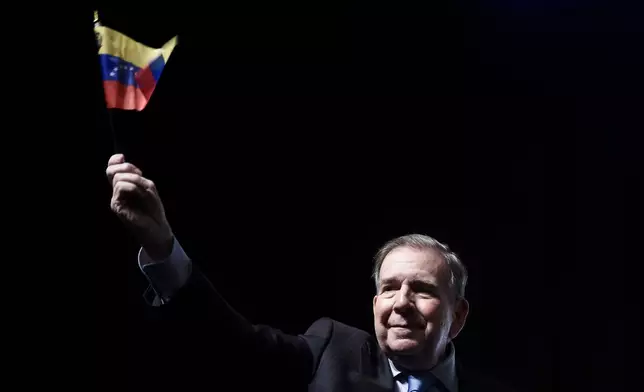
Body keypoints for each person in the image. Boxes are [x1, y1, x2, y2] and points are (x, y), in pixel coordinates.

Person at [107, 153, 515, 392]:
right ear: (375, 303)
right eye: (389, 289)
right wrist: (163, 247)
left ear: (457, 315)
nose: (401, 304)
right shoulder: (331, 349)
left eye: (422, 290)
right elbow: (231, 343)